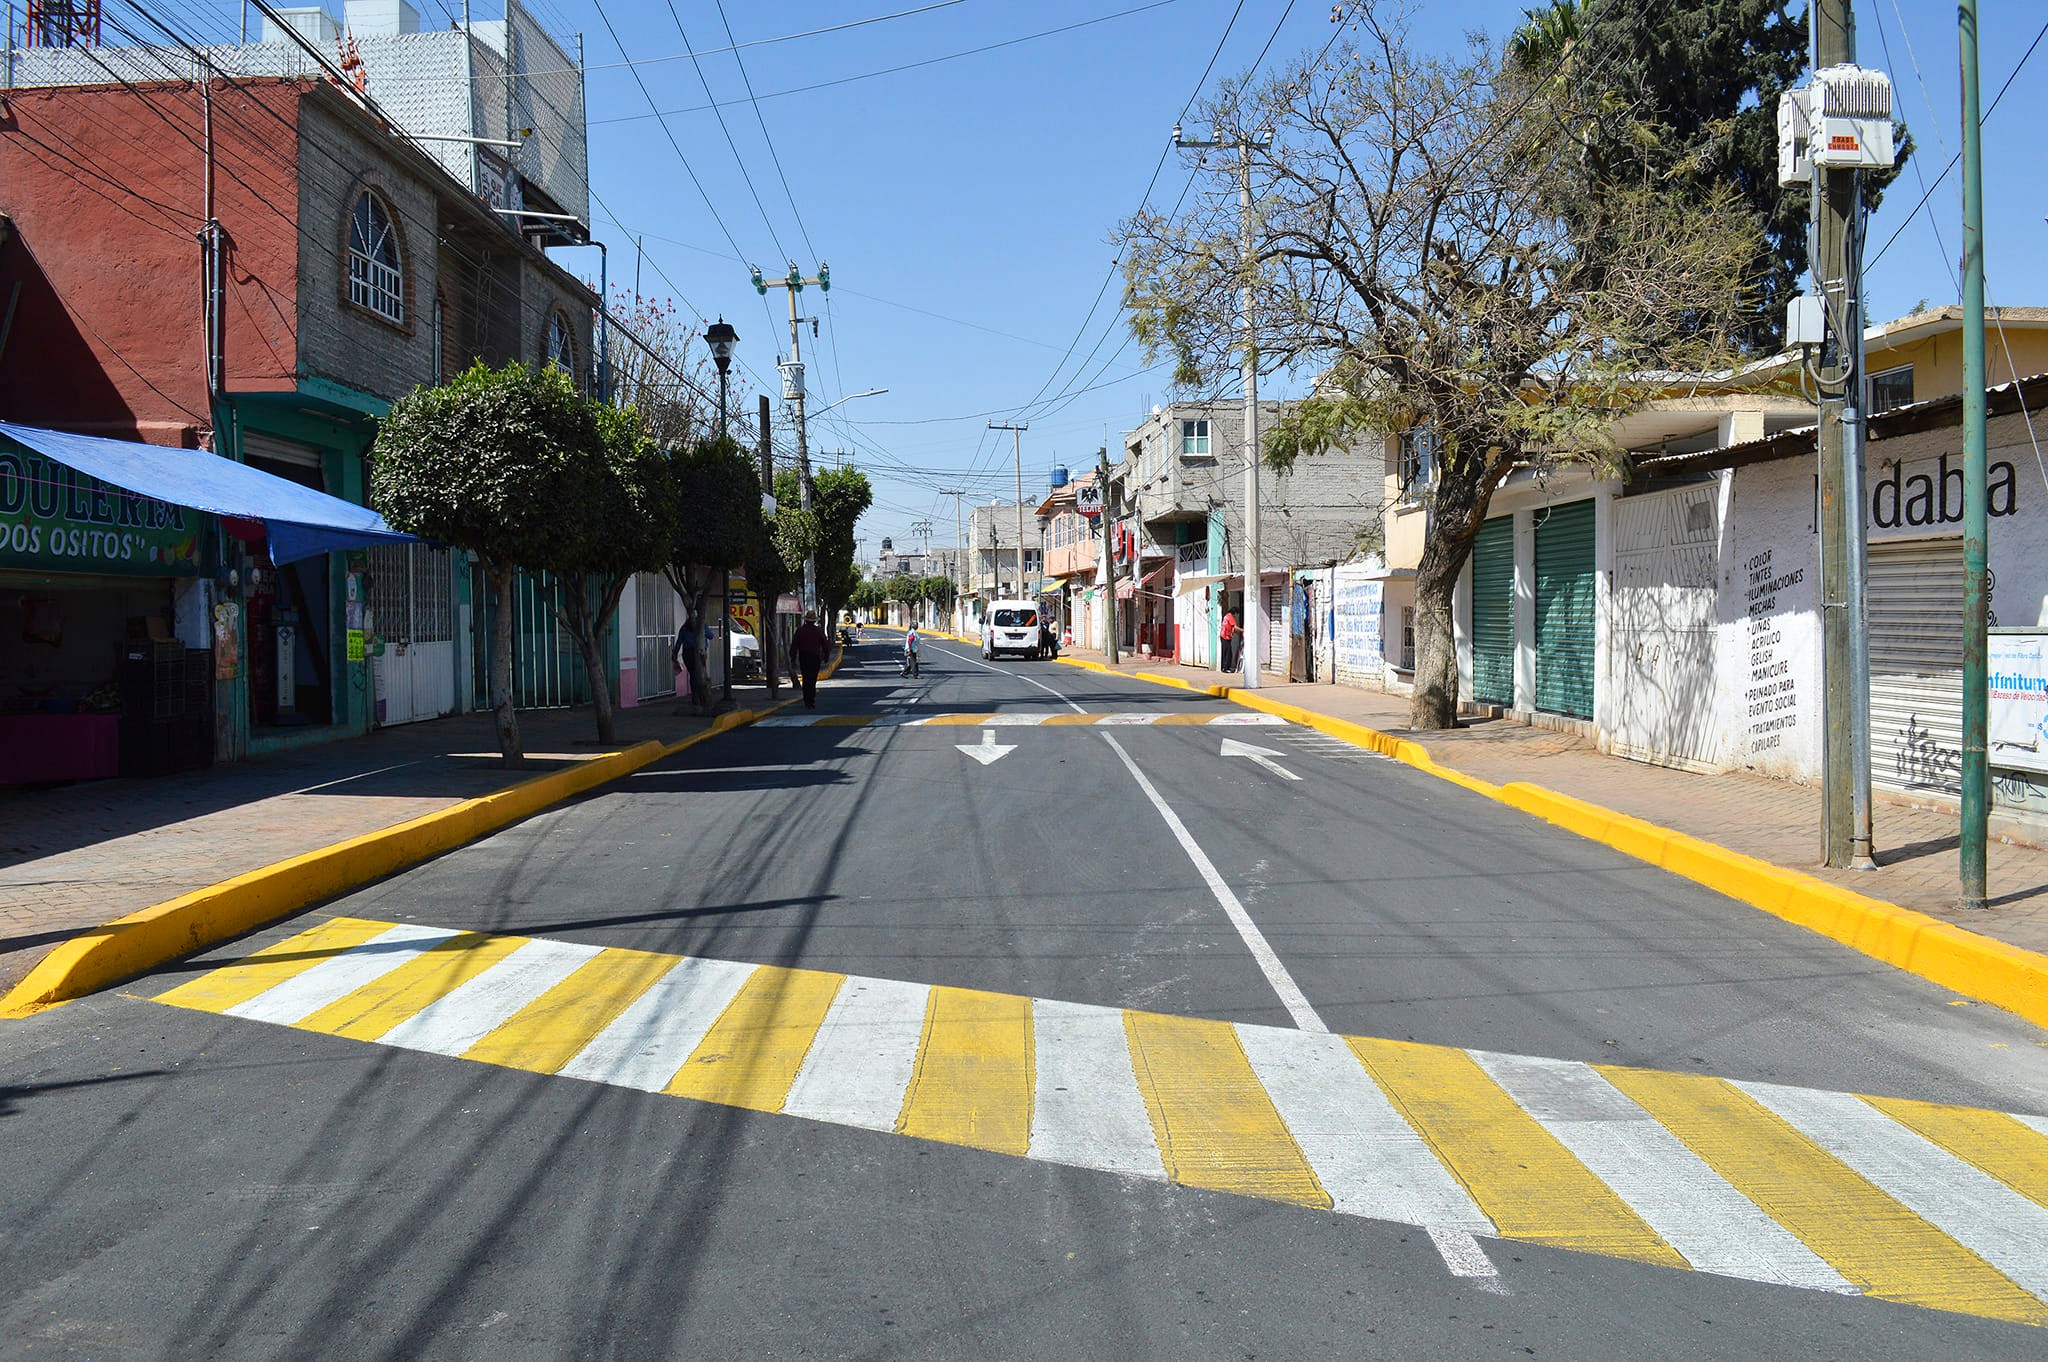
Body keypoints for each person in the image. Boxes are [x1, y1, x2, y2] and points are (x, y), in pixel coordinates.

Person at [792, 609, 829, 709]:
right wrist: (826, 657)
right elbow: (825, 645)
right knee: (812, 679)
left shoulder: (800, 631)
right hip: (815, 657)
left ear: (806, 620)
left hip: (803, 657)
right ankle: (811, 700)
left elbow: (794, 646)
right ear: (814, 621)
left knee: (806, 678)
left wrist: (793, 659)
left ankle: (806, 699)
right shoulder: (818, 631)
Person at [1219, 605, 1240, 672]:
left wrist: (1238, 632)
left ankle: (1224, 667)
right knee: (1228, 653)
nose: (1236, 616)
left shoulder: (1227, 616)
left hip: (1224, 636)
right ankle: (1226, 668)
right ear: (1235, 613)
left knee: (1225, 652)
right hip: (1226, 637)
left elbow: (1232, 628)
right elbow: (1235, 627)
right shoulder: (1230, 617)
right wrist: (1244, 630)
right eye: (1236, 614)